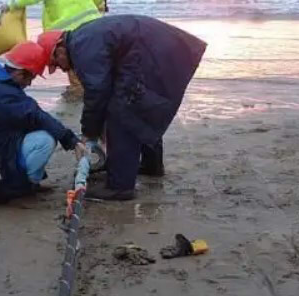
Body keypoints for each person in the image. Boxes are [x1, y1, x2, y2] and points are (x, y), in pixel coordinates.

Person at [37, 15, 207, 201]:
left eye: (55, 63)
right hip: (168, 47)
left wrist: (89, 132)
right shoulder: (83, 38)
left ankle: (120, 186)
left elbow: (97, 92)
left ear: (59, 48)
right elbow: (105, 84)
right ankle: (151, 166)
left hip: (159, 52)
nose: (61, 69)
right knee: (142, 106)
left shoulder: (82, 48)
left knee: (123, 112)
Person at [0, 41, 86, 205]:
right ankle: (22, 187)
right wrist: (71, 140)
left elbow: (32, 117)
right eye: (31, 78)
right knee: (45, 140)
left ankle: (23, 182)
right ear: (21, 73)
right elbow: (36, 115)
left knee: (39, 130)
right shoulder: (4, 94)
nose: (29, 84)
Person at [2, 0, 105, 99]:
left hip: (72, 27)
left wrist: (11, 4)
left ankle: (78, 92)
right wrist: (100, 5)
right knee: (91, 57)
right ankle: (92, 87)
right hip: (94, 23)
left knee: (69, 57)